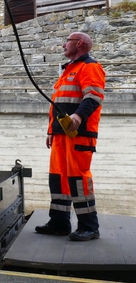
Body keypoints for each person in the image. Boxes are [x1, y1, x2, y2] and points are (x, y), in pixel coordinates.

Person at [35, 32, 105, 241]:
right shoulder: (69, 70)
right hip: (61, 134)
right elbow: (58, 104)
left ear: (80, 44)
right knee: (58, 180)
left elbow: (94, 97)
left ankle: (89, 227)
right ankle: (59, 223)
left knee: (78, 179)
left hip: (79, 134)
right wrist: (51, 129)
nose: (64, 44)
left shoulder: (89, 67)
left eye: (67, 41)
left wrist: (78, 116)